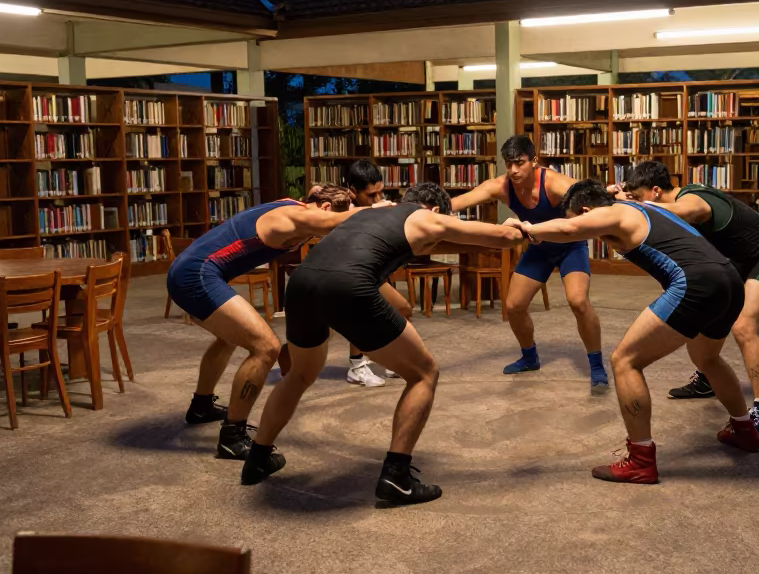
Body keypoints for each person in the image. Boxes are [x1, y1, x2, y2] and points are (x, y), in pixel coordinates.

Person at [242, 182, 526, 503]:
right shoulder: (425, 216)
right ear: (434, 209)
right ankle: (397, 477)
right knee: (424, 373)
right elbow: (503, 237)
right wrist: (517, 228)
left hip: (302, 284)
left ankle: (258, 458)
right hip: (348, 286)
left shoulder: (371, 213)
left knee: (299, 374)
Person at [518, 180, 759, 484]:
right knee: (707, 358)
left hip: (696, 283)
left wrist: (527, 228)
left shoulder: (613, 213)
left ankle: (641, 461)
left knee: (625, 361)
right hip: (729, 280)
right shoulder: (639, 207)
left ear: (586, 211)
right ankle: (744, 430)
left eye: (579, 218)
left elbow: (570, 229)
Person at [166, 185, 358, 460]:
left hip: (191, 270)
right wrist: (387, 210)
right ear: (325, 208)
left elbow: (321, 199)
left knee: (229, 337)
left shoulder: (295, 205)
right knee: (266, 348)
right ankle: (232, 438)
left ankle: (201, 407)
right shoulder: (293, 217)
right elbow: (337, 220)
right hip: (195, 276)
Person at [615, 161, 759, 437]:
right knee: (705, 318)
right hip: (740, 260)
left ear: (655, 191)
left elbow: (680, 212)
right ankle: (706, 379)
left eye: (640, 198)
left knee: (744, 328)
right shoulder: (670, 198)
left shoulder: (693, 198)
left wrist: (631, 206)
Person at [449, 135, 608, 386]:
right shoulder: (501, 186)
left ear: (534, 161)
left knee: (578, 301)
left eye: (519, 163)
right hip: (539, 248)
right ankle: (529, 357)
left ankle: (597, 365)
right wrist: (416, 210)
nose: (513, 170)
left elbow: (596, 200)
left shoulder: (554, 183)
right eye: (508, 163)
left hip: (570, 247)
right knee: (514, 305)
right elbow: (456, 202)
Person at [339, 160, 413, 388]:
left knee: (402, 309)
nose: (378, 199)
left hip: (370, 272)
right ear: (353, 191)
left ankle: (390, 359)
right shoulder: (342, 208)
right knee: (360, 315)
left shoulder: (378, 206)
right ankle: (356, 366)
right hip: (343, 273)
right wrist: (374, 211)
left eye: (381, 192)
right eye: (371, 195)